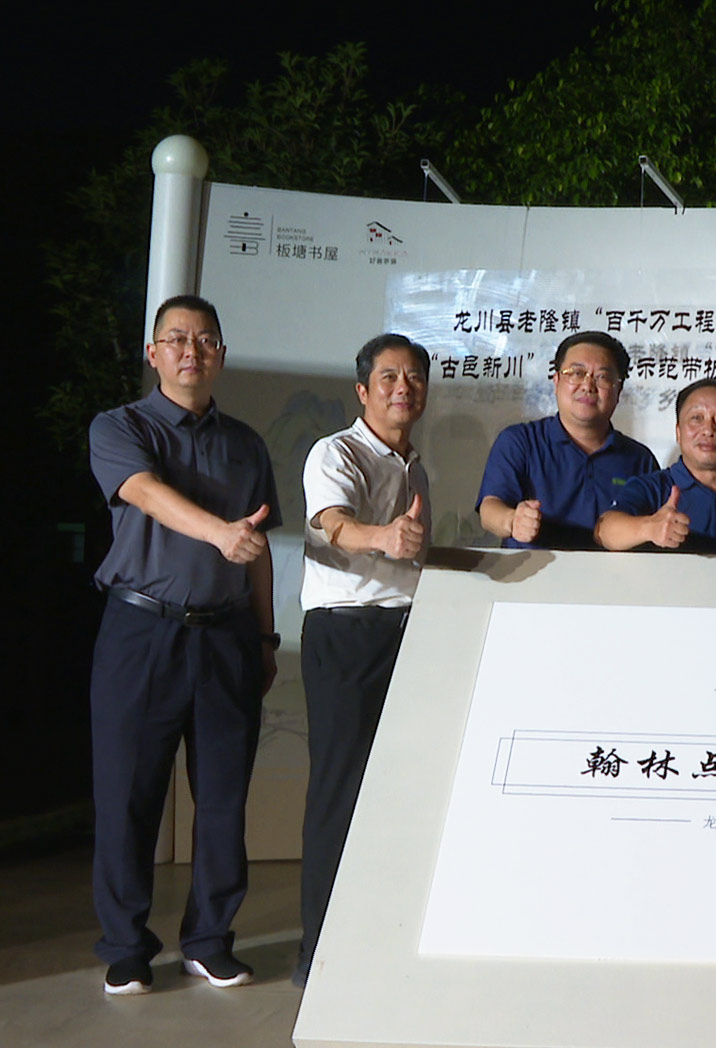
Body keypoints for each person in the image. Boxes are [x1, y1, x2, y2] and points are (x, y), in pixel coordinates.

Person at [87, 294, 281, 994]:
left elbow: (257, 550)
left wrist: (265, 636)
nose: (190, 351)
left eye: (204, 340)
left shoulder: (247, 444)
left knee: (224, 801)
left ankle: (208, 940)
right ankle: (125, 946)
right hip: (141, 632)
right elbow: (142, 491)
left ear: (220, 354)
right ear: (153, 353)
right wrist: (219, 532)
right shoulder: (121, 426)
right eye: (176, 339)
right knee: (128, 797)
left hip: (228, 636)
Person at [294, 334, 433, 987]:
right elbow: (333, 525)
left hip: (406, 634)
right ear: (362, 390)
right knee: (339, 791)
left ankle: (379, 939)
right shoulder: (337, 452)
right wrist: (384, 537)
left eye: (414, 378)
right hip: (347, 634)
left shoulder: (414, 466)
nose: (403, 388)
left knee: (396, 792)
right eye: (388, 377)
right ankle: (319, 954)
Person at [477, 332, 658, 549]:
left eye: (602, 377)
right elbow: (490, 509)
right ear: (556, 382)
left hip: (613, 571)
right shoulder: (520, 441)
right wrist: (512, 520)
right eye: (577, 373)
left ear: (618, 390)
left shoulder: (639, 459)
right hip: (536, 569)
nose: (588, 385)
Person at [596, 377, 716, 554]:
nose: (708, 430)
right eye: (696, 418)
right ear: (678, 432)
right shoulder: (651, 488)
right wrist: (649, 528)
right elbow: (605, 532)